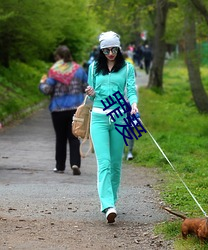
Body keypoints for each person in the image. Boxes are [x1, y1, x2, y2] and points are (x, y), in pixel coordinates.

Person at [85, 31, 138, 223]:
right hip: (98, 118)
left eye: (114, 49)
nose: (110, 53)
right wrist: (90, 92)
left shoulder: (127, 68)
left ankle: (112, 201)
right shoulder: (93, 68)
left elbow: (131, 90)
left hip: (120, 118)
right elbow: (91, 97)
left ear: (119, 48)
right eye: (106, 50)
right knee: (104, 163)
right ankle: (107, 205)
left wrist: (133, 103)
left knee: (116, 163)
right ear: (101, 50)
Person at [39, 45, 88, 175]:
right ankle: (75, 163)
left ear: (58, 57)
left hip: (58, 109)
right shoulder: (79, 70)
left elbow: (47, 90)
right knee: (74, 137)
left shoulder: (54, 71)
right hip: (75, 109)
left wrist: (42, 83)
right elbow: (86, 87)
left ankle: (60, 166)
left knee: (60, 138)